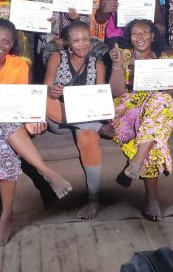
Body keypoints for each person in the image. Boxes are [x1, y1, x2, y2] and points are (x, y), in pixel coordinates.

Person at [0, 19, 72, 246]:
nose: (0, 44)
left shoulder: (19, 65)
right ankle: (46, 171)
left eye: (6, 41)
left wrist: (33, 119)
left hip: (5, 125)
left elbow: (19, 104)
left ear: (12, 45)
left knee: (5, 138)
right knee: (5, 123)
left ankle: (6, 214)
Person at [100, 19, 173, 221]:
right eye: (135, 33)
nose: (140, 37)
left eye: (145, 32)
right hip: (128, 107)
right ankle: (152, 197)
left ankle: (136, 162)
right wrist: (118, 66)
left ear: (153, 36)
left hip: (155, 106)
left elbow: (171, 94)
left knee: (161, 101)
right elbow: (116, 92)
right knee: (154, 133)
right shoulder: (124, 55)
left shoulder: (165, 57)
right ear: (130, 37)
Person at [44, 21, 107, 219]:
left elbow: (100, 96)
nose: (82, 44)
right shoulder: (57, 57)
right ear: (68, 44)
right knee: (42, 100)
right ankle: (97, 127)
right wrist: (52, 91)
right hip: (58, 115)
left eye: (86, 39)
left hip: (85, 116)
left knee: (88, 139)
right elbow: (46, 88)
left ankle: (93, 199)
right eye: (76, 40)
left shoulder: (97, 63)